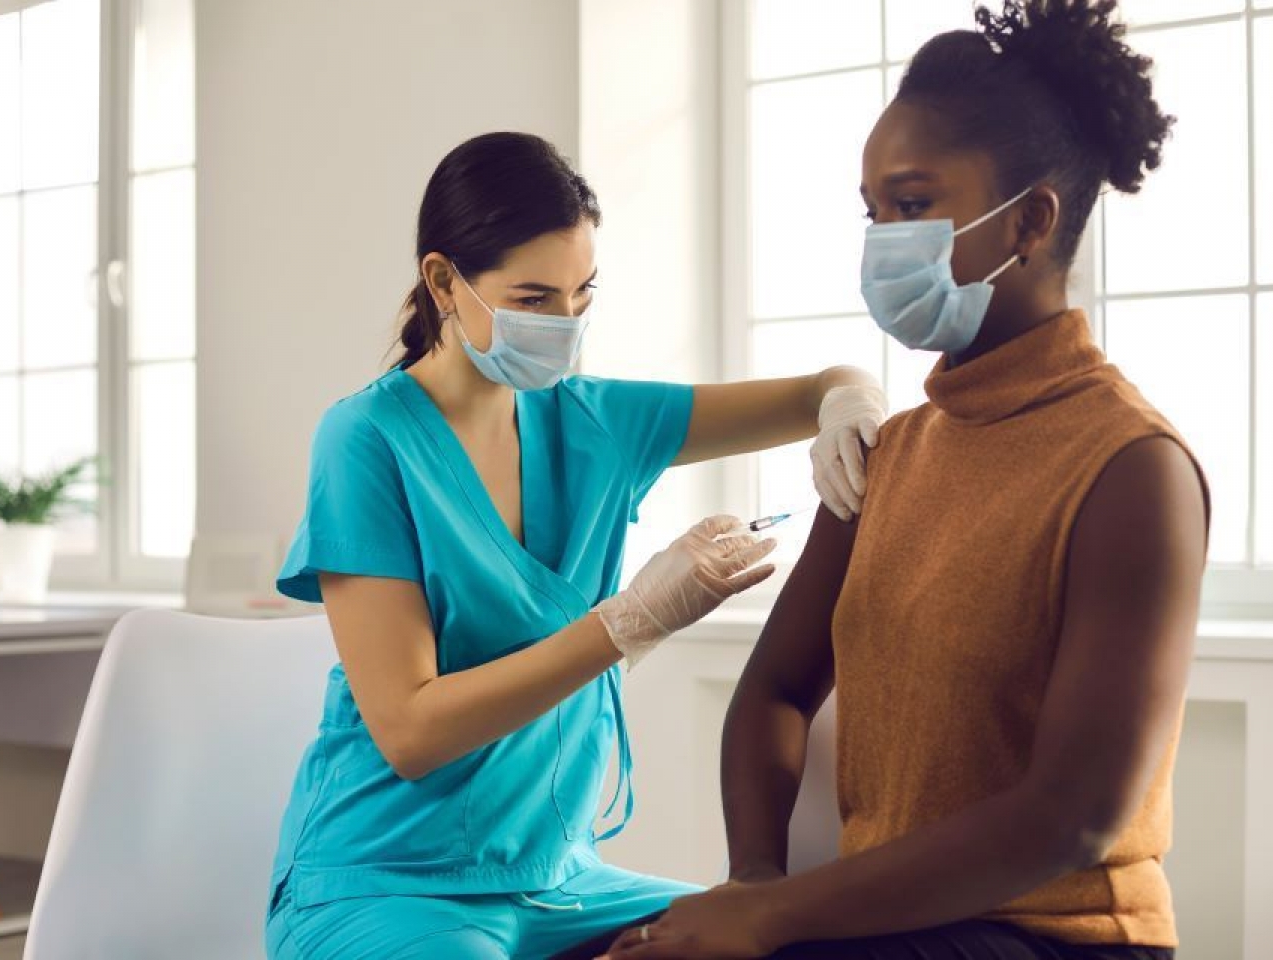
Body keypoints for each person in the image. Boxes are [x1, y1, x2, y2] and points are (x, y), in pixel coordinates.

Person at [597, 1, 1209, 958]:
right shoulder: (891, 455)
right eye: (873, 210)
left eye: (914, 205)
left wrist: (772, 919)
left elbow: (1076, 815)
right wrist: (754, 878)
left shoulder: (1131, 470)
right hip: (875, 922)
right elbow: (773, 694)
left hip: (1059, 937)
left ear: (1032, 221)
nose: (884, 238)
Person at [263, 131, 890, 960]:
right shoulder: (367, 440)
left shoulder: (596, 420)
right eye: (532, 299)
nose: (565, 326)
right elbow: (411, 731)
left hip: (561, 880)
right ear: (443, 281)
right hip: (388, 880)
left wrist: (850, 404)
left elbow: (822, 388)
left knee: (777, 943)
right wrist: (631, 621)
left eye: (581, 294)